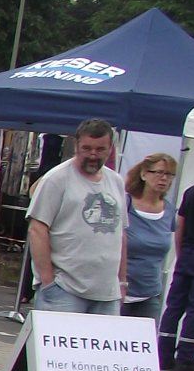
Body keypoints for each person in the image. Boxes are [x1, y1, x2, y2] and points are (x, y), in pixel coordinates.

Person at [27, 120, 125, 314]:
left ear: (110, 149)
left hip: (107, 294)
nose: (93, 155)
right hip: (65, 291)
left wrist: (122, 281)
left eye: (100, 149)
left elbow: (121, 233)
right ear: (76, 145)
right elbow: (37, 229)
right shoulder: (56, 179)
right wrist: (48, 281)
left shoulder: (116, 181)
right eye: (86, 148)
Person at [121, 153, 178, 321]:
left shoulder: (168, 210)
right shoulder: (126, 204)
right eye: (159, 172)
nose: (163, 179)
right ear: (144, 174)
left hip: (150, 294)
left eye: (169, 174)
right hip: (119, 292)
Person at [161, 168, 194, 371]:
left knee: (175, 304)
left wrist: (181, 254)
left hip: (187, 252)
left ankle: (163, 354)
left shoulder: (192, 192)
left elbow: (181, 226)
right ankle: (186, 358)